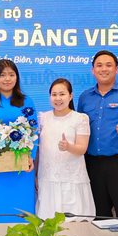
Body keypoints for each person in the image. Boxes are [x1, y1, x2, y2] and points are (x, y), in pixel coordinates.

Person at [77, 50, 118, 218]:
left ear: (116, 69)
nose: (104, 69)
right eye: (99, 65)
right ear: (93, 70)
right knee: (98, 215)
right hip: (93, 164)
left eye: (108, 65)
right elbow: (80, 128)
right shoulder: (85, 97)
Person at [0, 59, 37, 222]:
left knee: (22, 213)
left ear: (17, 77)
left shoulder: (27, 101)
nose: (7, 79)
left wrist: (31, 157)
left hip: (22, 166)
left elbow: (34, 130)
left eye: (11, 74)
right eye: (2, 75)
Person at [36, 78, 94, 219]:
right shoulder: (42, 118)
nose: (58, 98)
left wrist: (68, 147)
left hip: (72, 179)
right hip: (48, 179)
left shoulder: (80, 118)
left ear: (70, 96)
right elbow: (38, 150)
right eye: (54, 94)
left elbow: (82, 148)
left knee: (74, 221)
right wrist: (35, 175)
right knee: (47, 221)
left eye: (62, 94)